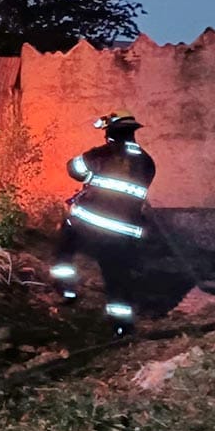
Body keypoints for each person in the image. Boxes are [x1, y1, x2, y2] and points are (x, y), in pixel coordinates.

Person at [50, 109, 156, 336]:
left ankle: (67, 292)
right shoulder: (147, 162)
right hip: (124, 234)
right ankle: (123, 328)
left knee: (63, 251)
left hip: (87, 226)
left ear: (111, 132)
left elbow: (73, 169)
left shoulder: (101, 154)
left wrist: (91, 175)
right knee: (117, 278)